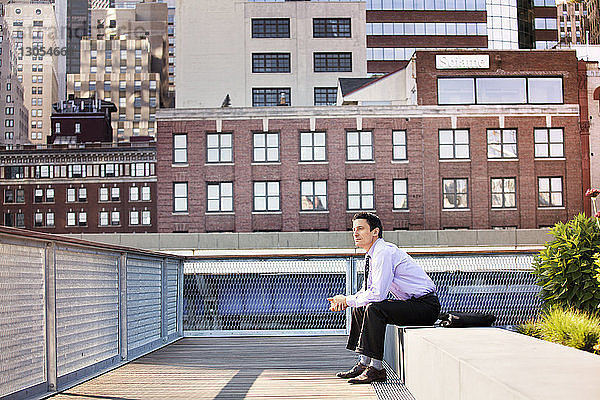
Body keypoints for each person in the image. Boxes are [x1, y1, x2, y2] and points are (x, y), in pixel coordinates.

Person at [328, 212, 440, 384]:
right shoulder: (373, 254)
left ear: (375, 232)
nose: (355, 233)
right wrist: (346, 301)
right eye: (353, 230)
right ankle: (364, 364)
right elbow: (367, 290)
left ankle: (377, 369)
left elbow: (379, 294)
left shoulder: (383, 252)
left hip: (425, 307)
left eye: (360, 229)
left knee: (374, 308)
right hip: (411, 304)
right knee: (361, 306)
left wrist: (347, 300)